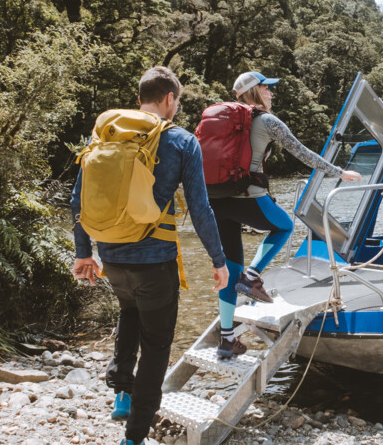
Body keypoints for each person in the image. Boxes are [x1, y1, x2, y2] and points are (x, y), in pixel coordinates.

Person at [70, 66, 229, 445]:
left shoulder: (107, 134)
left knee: (129, 313)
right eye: (178, 101)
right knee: (156, 349)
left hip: (112, 260)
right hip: (156, 265)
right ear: (170, 98)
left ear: (140, 95)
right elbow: (201, 209)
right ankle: (134, 436)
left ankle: (122, 392)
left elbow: (78, 200)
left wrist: (83, 254)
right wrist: (218, 260)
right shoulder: (181, 141)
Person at [212, 71, 361, 359]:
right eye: (267, 88)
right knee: (284, 226)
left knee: (230, 270)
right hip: (247, 196)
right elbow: (302, 153)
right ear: (255, 91)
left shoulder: (222, 123)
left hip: (216, 202)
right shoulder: (267, 121)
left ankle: (227, 340)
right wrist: (339, 172)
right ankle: (253, 276)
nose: (271, 93)